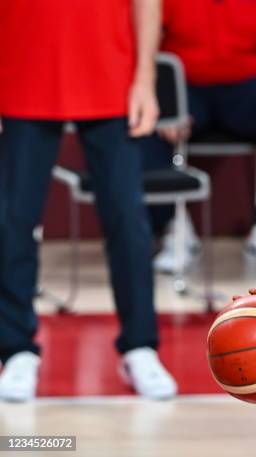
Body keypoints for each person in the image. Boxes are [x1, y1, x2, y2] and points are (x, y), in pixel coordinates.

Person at [0, 0, 176, 401]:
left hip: (109, 71)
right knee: (13, 219)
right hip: (22, 65)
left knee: (128, 219)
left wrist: (145, 78)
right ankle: (15, 350)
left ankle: (139, 345)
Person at [143, 0, 256, 274]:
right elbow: (147, 45)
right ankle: (172, 229)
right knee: (146, 116)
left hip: (245, 87)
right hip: (184, 83)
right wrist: (161, 97)